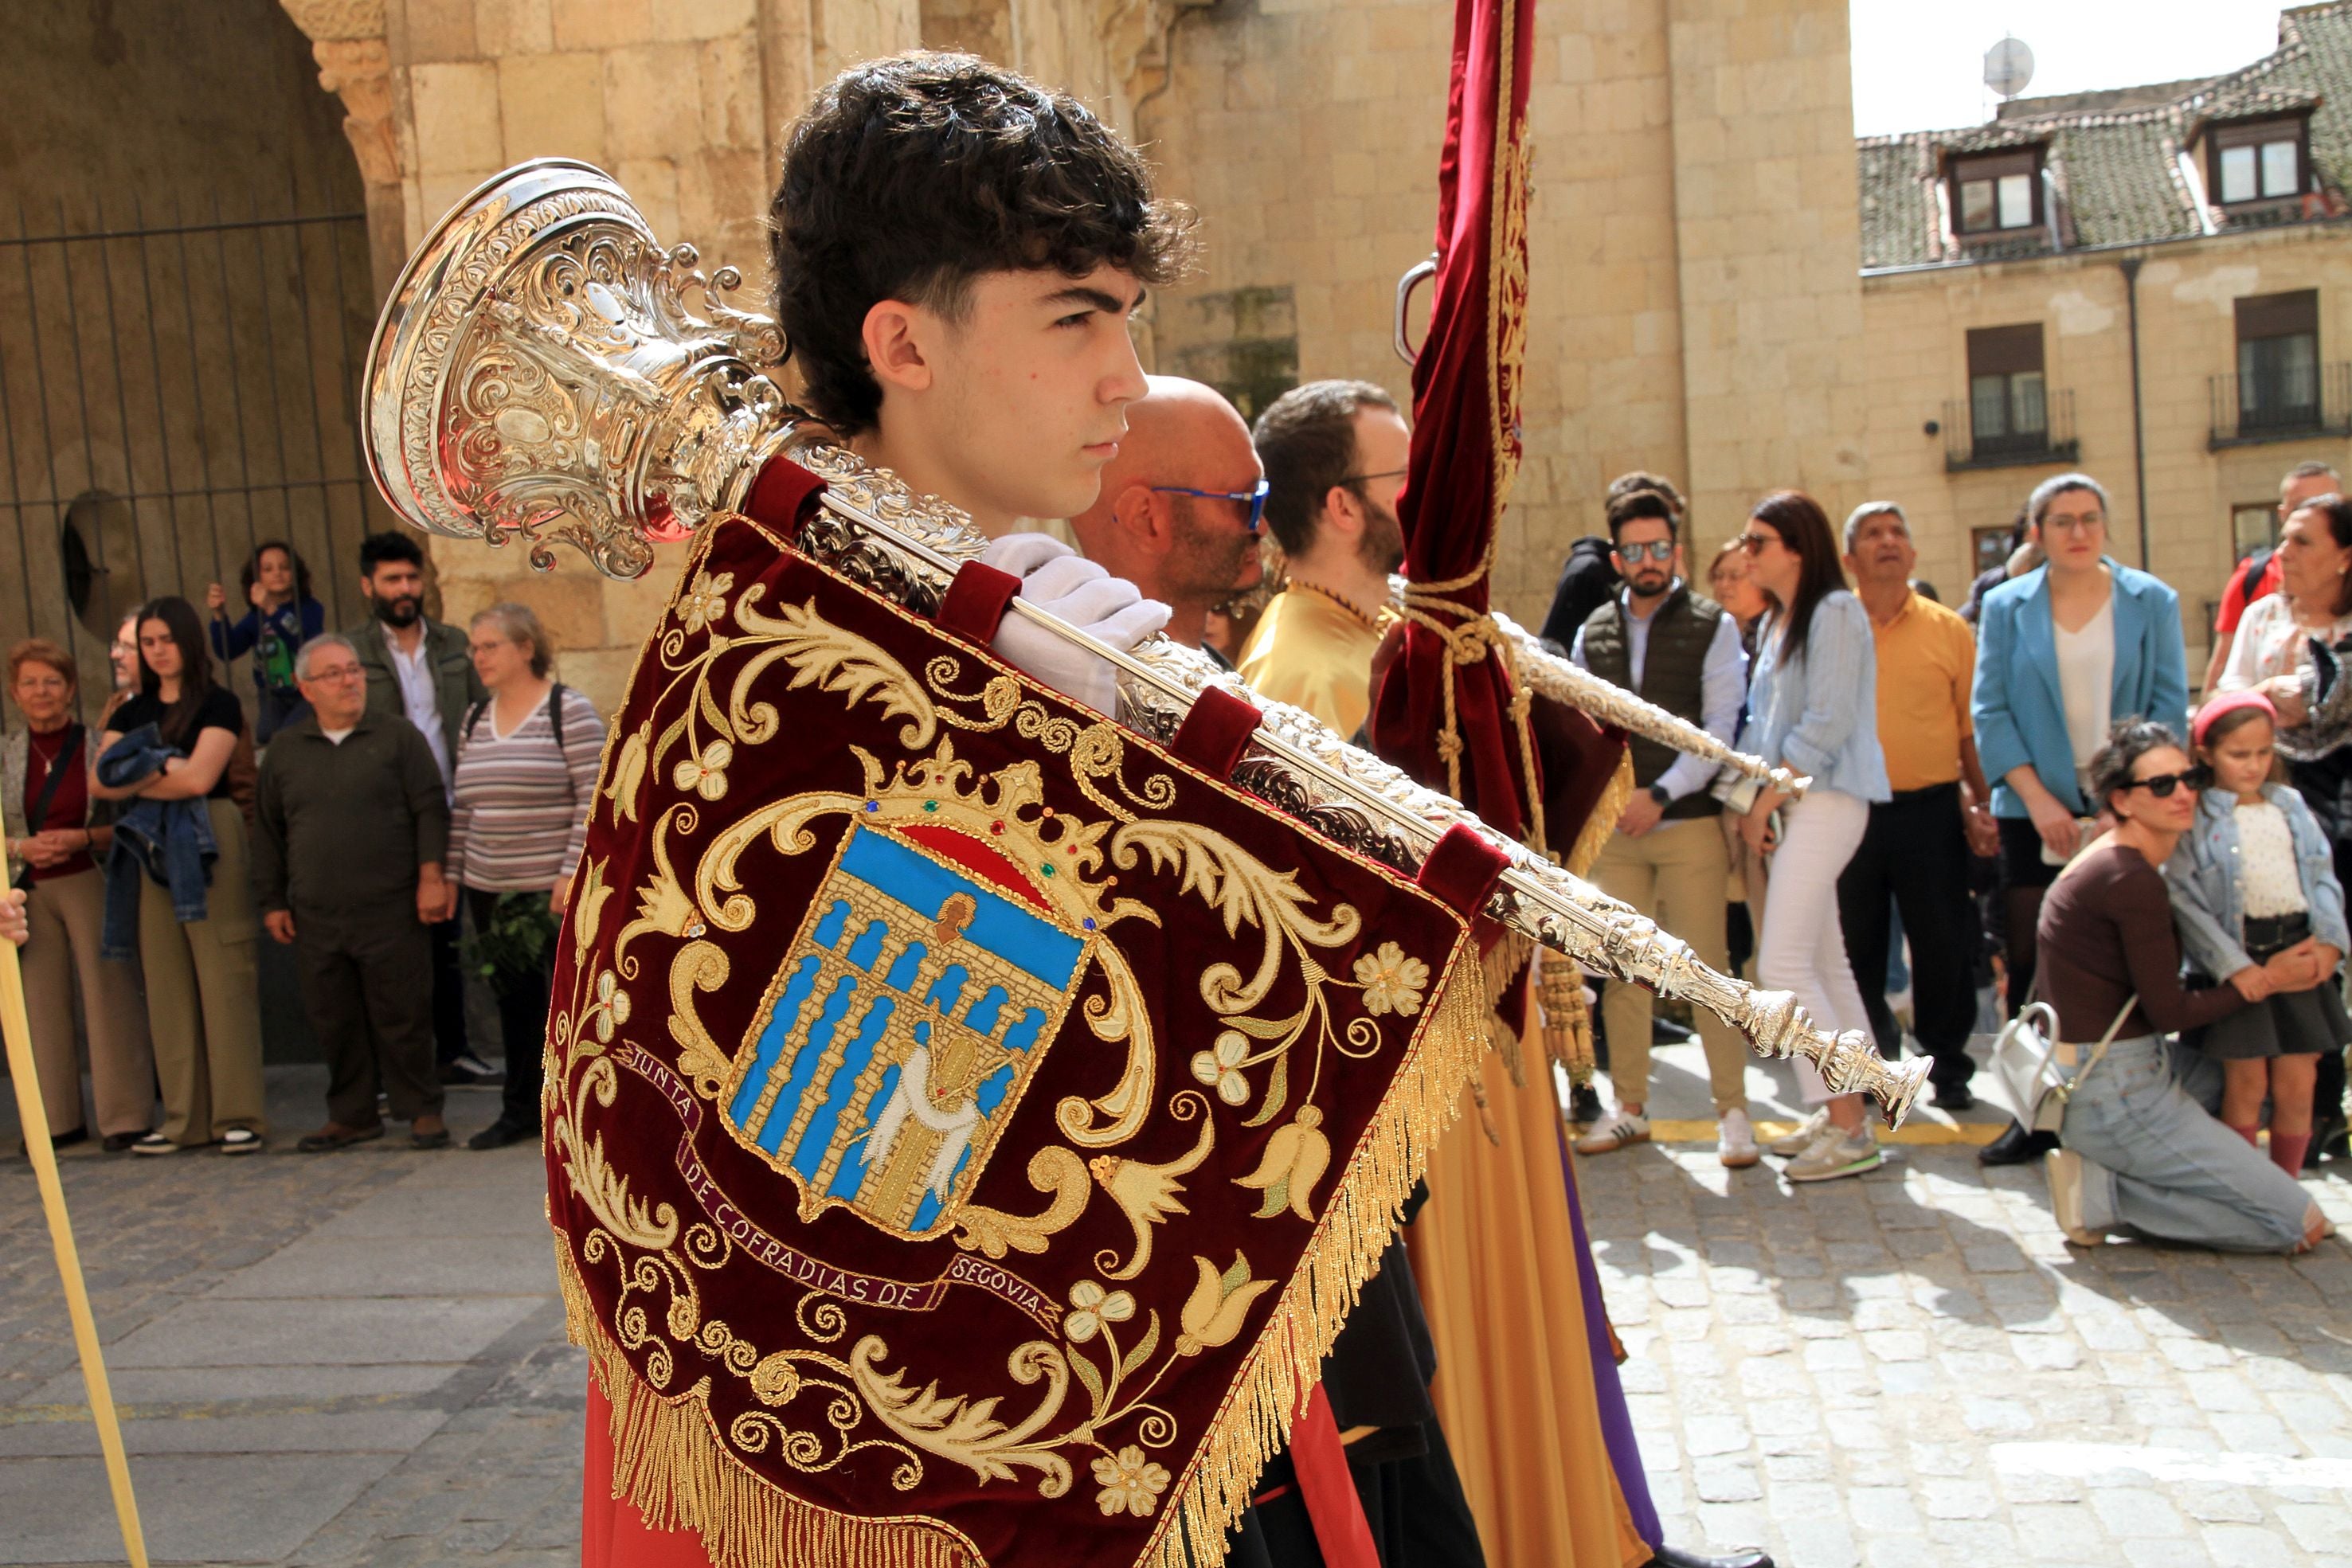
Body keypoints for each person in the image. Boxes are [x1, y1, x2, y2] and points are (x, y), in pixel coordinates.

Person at [2038, 721, 2333, 1253]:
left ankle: (2157, 1175)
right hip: (2115, 1092)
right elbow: (2169, 1010)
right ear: (2123, 800)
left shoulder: (2119, 856)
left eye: (2188, 778)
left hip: (2116, 1071)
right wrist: (2268, 979)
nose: (2182, 794)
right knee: (2298, 1226)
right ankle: (2108, 1195)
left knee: (2256, 1087)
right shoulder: (2130, 879)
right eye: (2161, 785)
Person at [1970, 472, 2190, 1166]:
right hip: (2030, 811)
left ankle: (2121, 1109)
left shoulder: (2151, 601)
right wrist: (2039, 802)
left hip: (2125, 813)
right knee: (2032, 964)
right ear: (2037, 532)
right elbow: (1990, 711)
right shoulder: (2006, 606)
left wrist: (2113, 809)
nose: (2076, 531)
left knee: (2124, 961)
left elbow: (2166, 708)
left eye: (2089, 518)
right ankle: (2032, 1115)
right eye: (2061, 520)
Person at [1567, 483, 1756, 1167]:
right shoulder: (1593, 630)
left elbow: (1717, 731)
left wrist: (1661, 793)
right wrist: (1612, 799)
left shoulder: (1714, 623)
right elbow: (1589, 724)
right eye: (1635, 549)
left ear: (1675, 552)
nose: (1648, 560)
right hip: (1617, 830)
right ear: (1617, 557)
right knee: (1622, 972)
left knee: (1709, 970)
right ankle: (1629, 1110)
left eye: (1659, 548)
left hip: (1687, 823)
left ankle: (1733, 1114)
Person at [1732, 491, 1891, 1182]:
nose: (1746, 552)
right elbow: (1764, 730)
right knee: (1824, 965)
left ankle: (1851, 1126)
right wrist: (1759, 801)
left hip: (1827, 799)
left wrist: (1763, 801)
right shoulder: (1778, 620)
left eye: (1758, 540)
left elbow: (1824, 723)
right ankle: (1849, 1113)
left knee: (1783, 967)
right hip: (1802, 802)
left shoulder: (1833, 611)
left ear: (1797, 546)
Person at [253, 635, 452, 1153]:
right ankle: (351, 1113)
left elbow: (430, 807)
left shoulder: (398, 737)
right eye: (334, 674)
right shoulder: (286, 750)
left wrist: (433, 876)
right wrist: (272, 900)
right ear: (305, 687)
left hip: (391, 905)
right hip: (316, 913)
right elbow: (269, 832)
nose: (348, 681)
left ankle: (421, 1108)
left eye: (354, 670)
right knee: (332, 1015)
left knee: (403, 1012)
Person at [1835, 502, 2000, 1110]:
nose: (1887, 542)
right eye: (1872, 534)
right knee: (1857, 948)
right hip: (1850, 811)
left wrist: (1980, 804)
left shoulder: (1949, 629)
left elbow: (1966, 731)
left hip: (1931, 811)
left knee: (1941, 944)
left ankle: (1948, 1066)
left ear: (1912, 553)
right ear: (1850, 557)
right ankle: (1875, 1066)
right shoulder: (1833, 626)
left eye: (1897, 532)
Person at [91, 596, 265, 1155]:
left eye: (166, 639)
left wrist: (140, 772)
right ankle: (184, 1118)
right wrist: (163, 769)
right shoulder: (127, 710)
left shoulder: (217, 702)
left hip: (208, 836)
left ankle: (238, 1114)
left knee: (222, 975)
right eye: (147, 642)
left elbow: (199, 779)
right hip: (147, 841)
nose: (157, 651)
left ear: (188, 641)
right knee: (165, 981)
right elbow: (99, 781)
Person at [2215, 491, 2352, 1167]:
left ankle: (2331, 1112)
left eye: (2301, 541)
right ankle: (2317, 1117)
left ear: (2344, 556)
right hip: (2274, 826)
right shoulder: (2261, 615)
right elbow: (2225, 700)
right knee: (2301, 972)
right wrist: (2269, 701)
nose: (2282, 554)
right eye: (2282, 538)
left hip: (2345, 812)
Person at [441, 604, 602, 1152]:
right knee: (510, 1002)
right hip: (490, 888)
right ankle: (520, 1109)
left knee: (561, 1003)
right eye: (474, 647)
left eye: (489, 646)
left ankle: (574, 1111)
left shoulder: (568, 711)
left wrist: (568, 872)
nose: (478, 657)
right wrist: (451, 875)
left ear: (525, 648)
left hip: (548, 889)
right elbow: (464, 806)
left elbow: (593, 794)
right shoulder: (471, 720)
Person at [2166, 691, 2346, 1178]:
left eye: (2264, 753)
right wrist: (2233, 967)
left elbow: (2321, 875)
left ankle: (2286, 1190)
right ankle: (2247, 1192)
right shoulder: (2197, 814)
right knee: (2245, 1082)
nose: (2253, 766)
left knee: (2298, 1081)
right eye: (2238, 755)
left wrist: (2331, 943)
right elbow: (2186, 900)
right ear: (2206, 753)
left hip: (2299, 952)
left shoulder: (2289, 804)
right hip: (2237, 965)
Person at [348, 530, 494, 1087]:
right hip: (386, 815)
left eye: (411, 578)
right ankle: (398, 1067)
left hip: (455, 805)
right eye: (392, 580)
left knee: (451, 937)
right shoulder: (354, 652)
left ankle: (454, 1050)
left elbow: (484, 715)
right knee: (393, 940)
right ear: (369, 585)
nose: (404, 589)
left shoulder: (455, 644)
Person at [5, 641, 155, 1152]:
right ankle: (54, 1122)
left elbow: (132, 819)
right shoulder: (5, 756)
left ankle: (125, 1115)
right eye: (30, 683)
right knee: (39, 1006)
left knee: (109, 994)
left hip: (92, 876)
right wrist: (20, 846)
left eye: (52, 681)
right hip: (28, 889)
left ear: (70, 689)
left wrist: (82, 838)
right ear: (14, 693)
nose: (41, 692)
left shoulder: (100, 747)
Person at [1235, 380, 1409, 738]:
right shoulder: (1298, 680)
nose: (1422, 493)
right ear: (1344, 507)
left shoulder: (1387, 618)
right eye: (1404, 477)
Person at [1064, 374, 1266, 651]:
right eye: (1245, 502)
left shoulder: (1203, 667)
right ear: (1145, 520)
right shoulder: (1092, 690)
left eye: (1261, 496)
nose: (1261, 526)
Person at [2204, 460, 2342, 695]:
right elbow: (2221, 680)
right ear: (2283, 515)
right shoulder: (2253, 586)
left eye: (2327, 502)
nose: (2315, 512)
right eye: (2302, 506)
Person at [207, 538, 327, 742]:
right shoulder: (256, 617)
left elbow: (306, 645)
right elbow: (228, 650)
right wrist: (219, 616)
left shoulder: (310, 608)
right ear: (257, 577)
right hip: (272, 694)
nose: (277, 573)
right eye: (268, 569)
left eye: (284, 567)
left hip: (307, 691)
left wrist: (272, 609)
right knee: (267, 735)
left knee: (290, 735)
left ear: (296, 573)